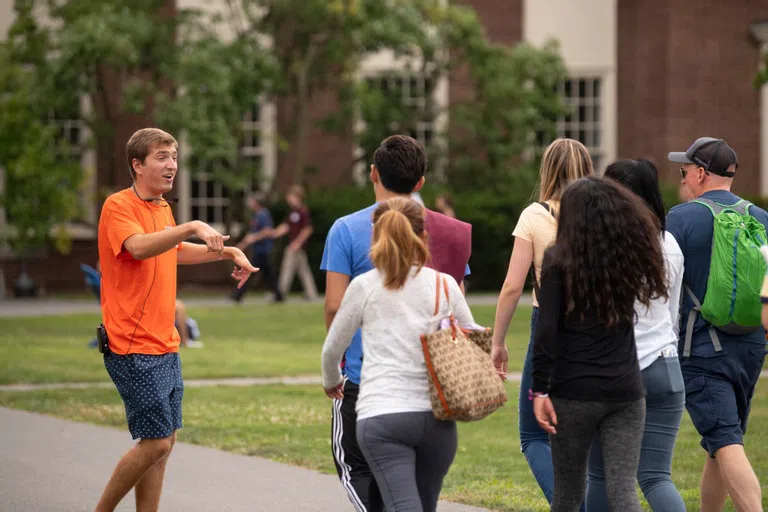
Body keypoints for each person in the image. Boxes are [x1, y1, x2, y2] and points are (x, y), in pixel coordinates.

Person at [95, 128, 258, 512]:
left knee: (164, 442)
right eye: (162, 157)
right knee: (156, 442)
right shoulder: (118, 206)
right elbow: (136, 247)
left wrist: (226, 251)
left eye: (174, 156)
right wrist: (191, 226)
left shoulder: (162, 207)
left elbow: (172, 249)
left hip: (164, 341)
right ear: (137, 165)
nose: (172, 165)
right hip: (132, 344)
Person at [321, 134, 472, 512]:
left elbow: (333, 307)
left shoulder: (346, 232)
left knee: (362, 473)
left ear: (373, 173)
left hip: (369, 384)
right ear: (421, 182)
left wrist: (336, 370)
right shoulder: (449, 235)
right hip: (436, 397)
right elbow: (462, 321)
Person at [532, 176, 668, 512]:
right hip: (625, 391)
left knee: (567, 495)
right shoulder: (627, 259)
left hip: (573, 392)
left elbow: (547, 331)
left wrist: (538, 391)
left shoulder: (556, 260)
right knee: (624, 493)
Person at [490, 138, 593, 506]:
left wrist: (498, 343)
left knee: (533, 434)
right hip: (597, 332)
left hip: (548, 329)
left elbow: (512, 286)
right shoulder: (605, 214)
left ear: (547, 170)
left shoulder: (534, 216)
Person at [667, 137, 767, 512]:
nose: (682, 178)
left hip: (703, 348)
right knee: (718, 445)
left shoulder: (680, 218)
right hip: (752, 346)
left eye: (684, 170)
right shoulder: (761, 218)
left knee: (725, 441)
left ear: (701, 173)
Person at [586, 159, 686, 511]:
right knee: (657, 477)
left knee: (600, 476)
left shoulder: (603, 245)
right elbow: (672, 314)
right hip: (666, 367)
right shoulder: (669, 242)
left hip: (617, 371)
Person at [245, 185, 318, 301]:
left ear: (297, 197)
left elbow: (308, 229)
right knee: (304, 271)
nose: (288, 199)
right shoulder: (292, 213)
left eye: (290, 197)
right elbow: (286, 227)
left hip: (296, 247)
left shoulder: (302, 211)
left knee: (287, 268)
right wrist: (273, 233)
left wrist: (297, 243)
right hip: (295, 246)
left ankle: (280, 293)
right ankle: (311, 293)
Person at [234, 193, 284, 303]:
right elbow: (250, 235)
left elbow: (267, 230)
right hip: (259, 250)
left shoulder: (263, 214)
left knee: (250, 271)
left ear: (257, 203)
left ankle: (238, 294)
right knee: (268, 275)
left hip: (264, 250)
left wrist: (254, 238)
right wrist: (241, 245)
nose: (250, 203)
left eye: (252, 201)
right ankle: (279, 295)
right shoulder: (256, 215)